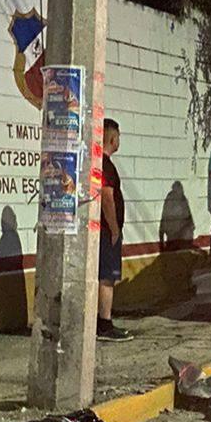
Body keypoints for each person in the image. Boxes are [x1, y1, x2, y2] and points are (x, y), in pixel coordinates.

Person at [97, 118, 132, 342]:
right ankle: (104, 323)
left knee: (103, 276)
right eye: (118, 136)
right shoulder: (105, 164)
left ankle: (101, 321)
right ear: (112, 138)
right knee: (107, 277)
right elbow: (107, 197)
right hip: (105, 230)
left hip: (102, 229)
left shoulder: (99, 162)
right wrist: (114, 227)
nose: (119, 141)